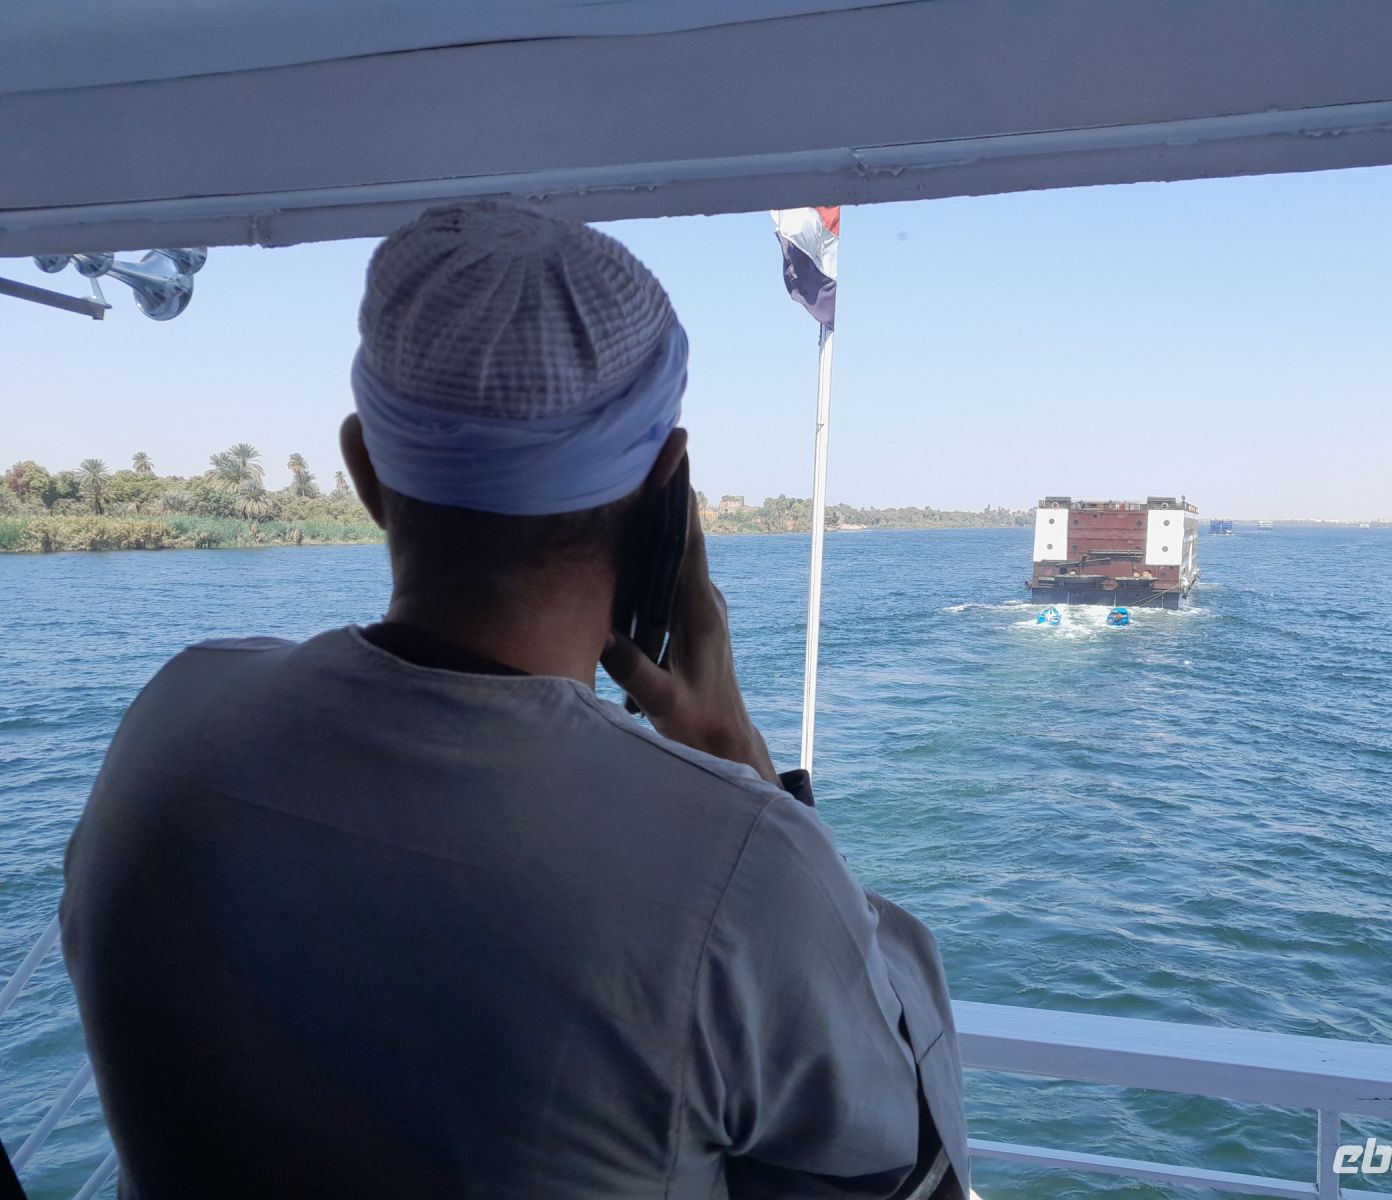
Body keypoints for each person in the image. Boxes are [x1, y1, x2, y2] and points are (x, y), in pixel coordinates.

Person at [59, 203, 968, 1199]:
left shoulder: (175, 718)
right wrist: (732, 757)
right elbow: (899, 1163)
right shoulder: (739, 861)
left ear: (364, 468)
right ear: (670, 483)